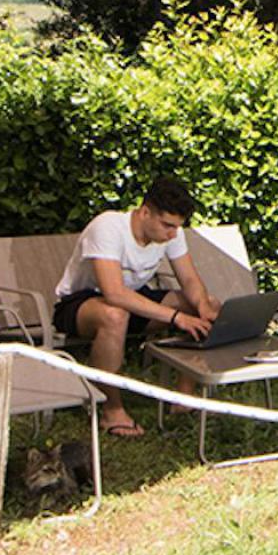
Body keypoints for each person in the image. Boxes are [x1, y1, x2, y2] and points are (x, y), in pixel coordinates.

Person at [51, 177, 221, 437]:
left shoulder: (171, 234)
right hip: (80, 303)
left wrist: (203, 306)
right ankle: (111, 410)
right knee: (114, 315)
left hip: (132, 299)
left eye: (177, 227)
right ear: (145, 213)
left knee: (204, 304)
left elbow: (188, 279)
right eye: (167, 225)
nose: (172, 234)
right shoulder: (108, 227)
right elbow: (114, 293)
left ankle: (183, 399)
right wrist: (176, 317)